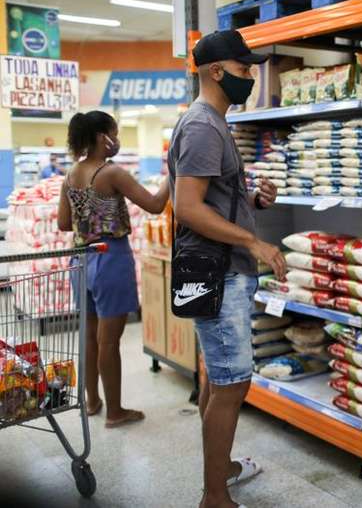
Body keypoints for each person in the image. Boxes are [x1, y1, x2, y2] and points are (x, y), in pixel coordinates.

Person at [167, 30, 287, 508]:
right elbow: (188, 207)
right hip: (218, 271)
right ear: (215, 71)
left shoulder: (213, 122)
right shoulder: (203, 126)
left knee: (221, 380)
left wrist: (252, 200)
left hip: (220, 268)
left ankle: (222, 471)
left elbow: (211, 199)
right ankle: (214, 495)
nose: (250, 77)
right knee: (232, 383)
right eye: (242, 69)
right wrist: (252, 240)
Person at [57, 110, 170, 428]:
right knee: (109, 341)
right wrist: (173, 175)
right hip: (110, 258)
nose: (117, 140)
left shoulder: (71, 174)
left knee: (90, 337)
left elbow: (64, 223)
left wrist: (88, 219)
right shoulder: (112, 173)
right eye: (115, 134)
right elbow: (155, 204)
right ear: (101, 137)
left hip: (80, 260)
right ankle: (116, 412)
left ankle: (92, 401)